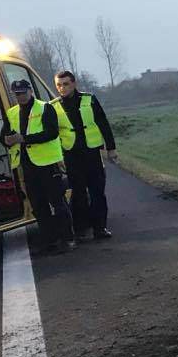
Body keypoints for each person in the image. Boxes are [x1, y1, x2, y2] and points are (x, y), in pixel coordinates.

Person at [1, 79, 75, 254]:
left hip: (48, 164)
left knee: (58, 203)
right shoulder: (11, 113)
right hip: (27, 165)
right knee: (38, 206)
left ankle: (68, 238)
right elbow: (4, 135)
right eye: (17, 94)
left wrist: (24, 139)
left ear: (30, 91)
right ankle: (50, 240)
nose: (20, 97)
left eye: (22, 93)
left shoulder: (44, 108)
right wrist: (6, 140)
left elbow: (52, 132)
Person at [52, 70, 117, 241]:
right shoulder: (53, 106)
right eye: (59, 85)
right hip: (71, 155)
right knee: (78, 194)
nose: (62, 88)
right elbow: (53, 135)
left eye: (66, 84)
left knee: (97, 192)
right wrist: (58, 158)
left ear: (74, 84)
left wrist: (111, 148)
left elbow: (103, 122)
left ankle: (100, 228)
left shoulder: (89, 99)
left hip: (91, 153)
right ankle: (80, 230)